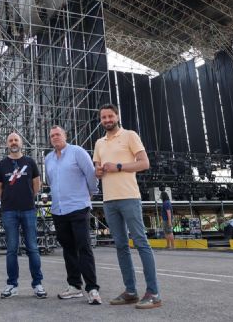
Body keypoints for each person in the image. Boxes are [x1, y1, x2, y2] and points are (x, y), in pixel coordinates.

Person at [93, 103, 161, 309]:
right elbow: (97, 169)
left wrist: (119, 166)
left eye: (110, 116)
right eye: (104, 117)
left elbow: (144, 163)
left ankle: (153, 293)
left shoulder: (130, 135)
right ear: (101, 120)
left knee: (141, 242)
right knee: (121, 246)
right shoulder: (99, 143)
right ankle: (130, 291)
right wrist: (98, 171)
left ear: (117, 116)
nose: (107, 120)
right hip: (109, 200)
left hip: (129, 197)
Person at [44, 125, 101, 305]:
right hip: (58, 210)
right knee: (68, 249)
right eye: (52, 136)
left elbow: (91, 175)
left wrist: (91, 193)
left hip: (78, 207)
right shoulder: (48, 159)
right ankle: (75, 286)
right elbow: (51, 182)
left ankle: (92, 288)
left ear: (65, 136)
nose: (55, 137)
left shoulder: (77, 152)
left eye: (58, 134)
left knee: (84, 247)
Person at [0, 132, 47, 299]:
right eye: (10, 140)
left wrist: (27, 197)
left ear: (21, 143)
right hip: (9, 211)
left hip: (28, 210)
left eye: (16, 140)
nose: (13, 142)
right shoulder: (1, 165)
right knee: (11, 249)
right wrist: (8, 200)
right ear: (7, 144)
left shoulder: (30, 162)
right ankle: (12, 284)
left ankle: (37, 284)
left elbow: (36, 185)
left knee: (33, 247)